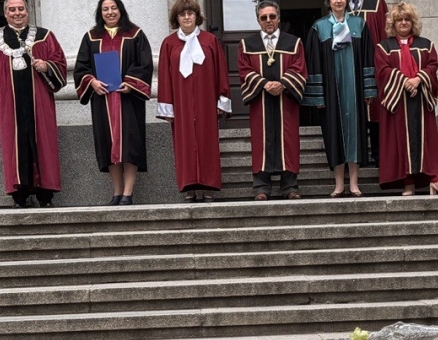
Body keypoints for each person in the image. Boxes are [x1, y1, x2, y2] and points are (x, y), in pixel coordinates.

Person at [0, 0, 66, 208]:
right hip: (8, 106)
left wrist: (47, 66)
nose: (17, 13)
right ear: (5, 14)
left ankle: (45, 195)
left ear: (27, 11)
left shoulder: (45, 36)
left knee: (43, 144)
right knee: (14, 146)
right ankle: (19, 196)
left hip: (39, 103)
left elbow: (60, 63)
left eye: (20, 8)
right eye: (12, 9)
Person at [74, 0, 153, 206]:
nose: (110, 12)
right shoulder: (91, 37)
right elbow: (81, 67)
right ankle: (117, 192)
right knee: (108, 145)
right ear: (100, 12)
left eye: (113, 8)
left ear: (120, 10)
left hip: (128, 99)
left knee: (130, 144)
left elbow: (145, 65)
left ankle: (128, 193)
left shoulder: (135, 34)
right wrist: (91, 81)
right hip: (103, 100)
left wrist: (130, 83)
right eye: (105, 9)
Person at [156, 0, 230, 202]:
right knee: (185, 143)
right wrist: (167, 107)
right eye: (182, 14)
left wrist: (220, 100)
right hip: (181, 105)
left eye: (190, 13)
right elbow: (165, 77)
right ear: (176, 18)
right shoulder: (169, 44)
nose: (187, 17)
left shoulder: (210, 40)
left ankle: (208, 186)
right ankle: (189, 186)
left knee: (207, 142)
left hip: (206, 102)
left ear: (197, 16)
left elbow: (220, 72)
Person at [374, 2, 438, 196]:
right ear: (393, 23)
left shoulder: (426, 44)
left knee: (427, 142)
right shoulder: (384, 47)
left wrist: (418, 79)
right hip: (398, 102)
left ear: (413, 22)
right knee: (401, 143)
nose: (403, 23)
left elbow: (432, 65)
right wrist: (404, 80)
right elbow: (382, 71)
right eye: (399, 20)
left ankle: (436, 180)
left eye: (407, 19)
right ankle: (408, 182)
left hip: (421, 102)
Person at [303, 0, 377, 197]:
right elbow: (314, 63)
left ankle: (354, 183)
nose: (338, 1)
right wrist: (318, 95)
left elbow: (369, 57)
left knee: (355, 133)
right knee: (334, 133)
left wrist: (369, 90)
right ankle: (338, 184)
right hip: (331, 91)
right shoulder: (318, 28)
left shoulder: (359, 24)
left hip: (354, 91)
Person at [238, 0, 307, 201]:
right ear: (258, 20)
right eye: (264, 17)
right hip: (261, 100)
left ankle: (290, 187)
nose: (268, 21)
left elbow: (300, 67)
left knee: (289, 141)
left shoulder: (294, 43)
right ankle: (261, 188)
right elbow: (243, 69)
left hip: (286, 101)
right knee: (261, 141)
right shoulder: (247, 44)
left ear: (279, 18)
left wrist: (283, 83)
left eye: (272, 16)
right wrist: (264, 84)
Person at [347, 0, 387, 165]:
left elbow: (385, 34)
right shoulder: (341, 4)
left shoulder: (376, 3)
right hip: (348, 67)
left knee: (375, 110)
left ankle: (378, 154)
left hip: (373, 65)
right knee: (352, 109)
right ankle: (357, 156)